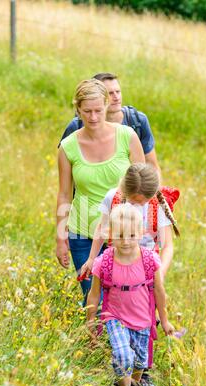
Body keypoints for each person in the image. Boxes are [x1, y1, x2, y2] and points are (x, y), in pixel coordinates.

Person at [80, 163, 180, 386]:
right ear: (125, 191)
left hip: (147, 267)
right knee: (117, 307)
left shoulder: (157, 204)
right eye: (134, 201)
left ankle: (142, 370)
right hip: (117, 261)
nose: (138, 206)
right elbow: (101, 229)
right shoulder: (112, 198)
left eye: (142, 202)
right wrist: (91, 258)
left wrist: (159, 275)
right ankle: (119, 360)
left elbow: (167, 246)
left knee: (146, 316)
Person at [56, 79, 145, 303]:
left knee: (125, 299)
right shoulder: (68, 147)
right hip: (82, 232)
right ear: (77, 109)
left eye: (98, 110)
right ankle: (93, 338)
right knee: (92, 300)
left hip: (122, 232)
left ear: (107, 105)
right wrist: (60, 237)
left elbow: (143, 189)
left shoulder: (127, 137)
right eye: (87, 111)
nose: (93, 117)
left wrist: (148, 230)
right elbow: (65, 194)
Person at [86, 204, 175, 386]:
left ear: (142, 233)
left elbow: (159, 292)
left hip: (143, 317)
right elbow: (94, 292)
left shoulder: (150, 260)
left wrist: (165, 318)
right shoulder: (104, 262)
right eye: (120, 235)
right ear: (110, 234)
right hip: (115, 316)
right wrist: (90, 320)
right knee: (123, 353)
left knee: (139, 360)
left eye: (132, 235)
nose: (126, 241)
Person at [58, 73, 161, 180]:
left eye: (118, 92)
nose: (116, 97)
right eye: (111, 93)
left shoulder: (136, 122)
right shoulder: (76, 126)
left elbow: (151, 166)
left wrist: (155, 194)